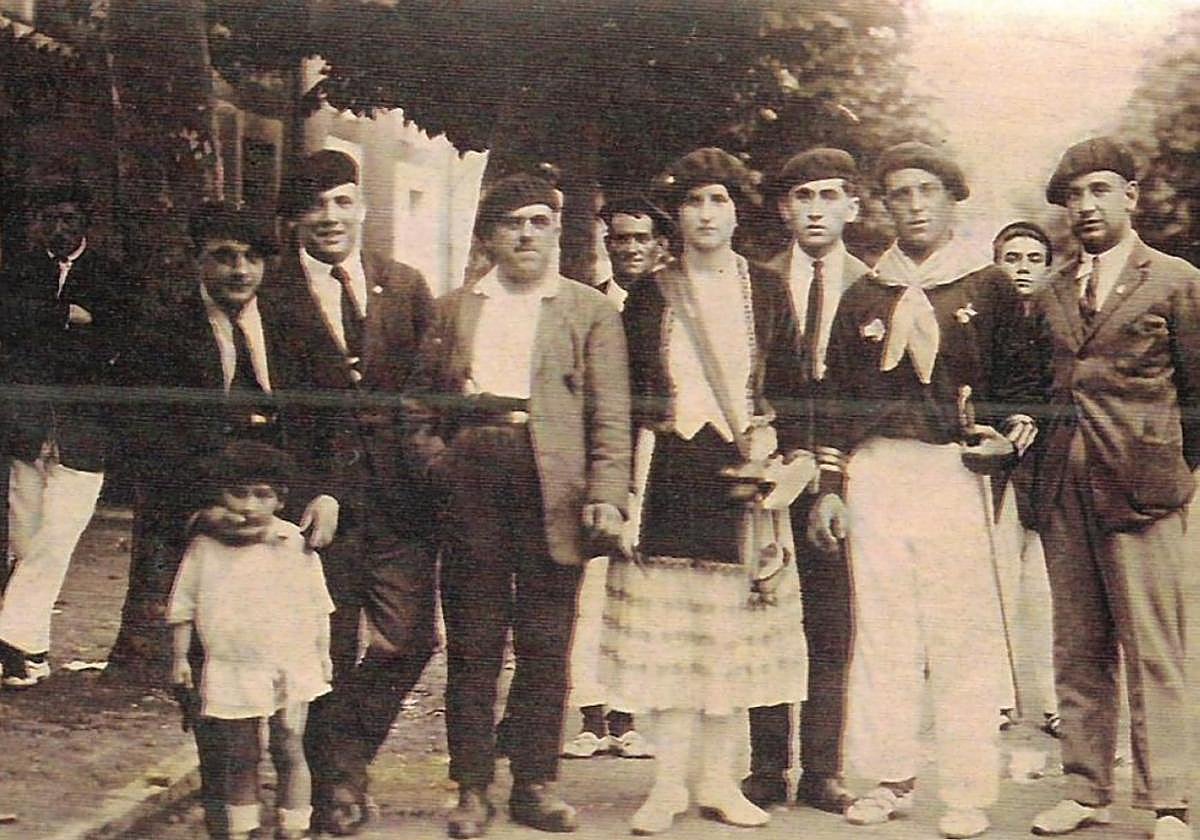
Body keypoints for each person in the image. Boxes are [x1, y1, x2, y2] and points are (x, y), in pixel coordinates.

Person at [810, 141, 1036, 838]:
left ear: (951, 200)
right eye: (899, 194)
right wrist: (831, 484)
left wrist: (1007, 442)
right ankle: (889, 777)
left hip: (952, 471)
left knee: (960, 632)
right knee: (883, 631)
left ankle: (967, 789)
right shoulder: (864, 292)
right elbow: (835, 399)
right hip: (879, 469)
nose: (913, 206)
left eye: (926, 191)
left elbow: (1025, 386)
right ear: (884, 206)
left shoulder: (988, 287)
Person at [406, 173, 630, 838]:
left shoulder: (589, 310)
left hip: (554, 482)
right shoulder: (454, 308)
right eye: (512, 223)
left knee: (545, 641)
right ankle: (472, 788)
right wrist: (438, 464)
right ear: (488, 236)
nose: (526, 235)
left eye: (539, 222)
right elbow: (418, 404)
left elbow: (610, 415)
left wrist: (606, 495)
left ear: (556, 231)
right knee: (473, 640)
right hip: (474, 474)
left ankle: (535, 782)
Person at [602, 147, 808, 836]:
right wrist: (623, 489)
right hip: (667, 470)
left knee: (728, 638)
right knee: (673, 640)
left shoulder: (767, 290)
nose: (706, 213)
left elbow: (790, 386)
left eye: (718, 200)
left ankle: (719, 781)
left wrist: (781, 453)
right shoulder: (648, 295)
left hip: (740, 473)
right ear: (676, 215)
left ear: (737, 211)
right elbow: (625, 396)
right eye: (693, 201)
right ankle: (666, 785)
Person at [1025, 138, 1199, 840]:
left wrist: (1173, 473)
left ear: (1130, 195)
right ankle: (1085, 788)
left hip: (1142, 490)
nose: (1086, 206)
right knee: (1077, 645)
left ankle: (1168, 800)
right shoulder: (1052, 291)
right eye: (1074, 196)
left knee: (1153, 646)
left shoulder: (1176, 281)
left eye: (1099, 190)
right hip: (1064, 490)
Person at [272, 149, 438, 836]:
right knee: (329, 650)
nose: (330, 216)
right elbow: (277, 410)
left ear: (363, 207)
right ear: (295, 218)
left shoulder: (403, 285)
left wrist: (433, 473)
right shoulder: (272, 292)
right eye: (315, 205)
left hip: (401, 500)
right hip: (318, 507)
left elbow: (431, 388)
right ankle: (333, 789)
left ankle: (345, 757)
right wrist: (307, 490)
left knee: (411, 640)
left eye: (343, 201)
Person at [741, 147, 870, 815]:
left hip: (848, 474)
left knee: (831, 619)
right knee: (765, 605)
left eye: (828, 195)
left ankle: (823, 768)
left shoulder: (875, 285)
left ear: (852, 206)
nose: (815, 209)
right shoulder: (755, 285)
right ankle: (767, 766)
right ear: (783, 209)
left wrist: (835, 472)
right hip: (772, 467)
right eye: (802, 196)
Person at [169, 440, 335, 840]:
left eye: (263, 495)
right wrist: (180, 659)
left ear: (281, 499)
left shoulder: (293, 542)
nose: (249, 505)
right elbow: (183, 604)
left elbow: (318, 605)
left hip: (288, 662)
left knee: (288, 745)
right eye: (238, 493)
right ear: (221, 494)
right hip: (233, 664)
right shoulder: (206, 544)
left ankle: (293, 827)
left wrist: (323, 654)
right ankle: (242, 828)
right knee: (241, 753)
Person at [0, 182, 131, 687]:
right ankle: (29, 652)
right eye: (50, 219)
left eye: (69, 219)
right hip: (27, 428)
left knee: (58, 537)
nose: (59, 229)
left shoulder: (110, 275)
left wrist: (45, 332)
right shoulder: (19, 271)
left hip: (84, 429)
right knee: (27, 542)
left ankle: (10, 636)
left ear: (85, 224)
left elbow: (114, 341)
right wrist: (63, 316)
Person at [558, 192, 670, 762]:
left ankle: (628, 716)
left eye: (641, 238)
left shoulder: (672, 306)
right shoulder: (584, 304)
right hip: (594, 459)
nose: (630, 248)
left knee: (641, 586)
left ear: (660, 245)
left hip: (652, 452)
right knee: (591, 587)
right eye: (620, 238)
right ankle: (590, 716)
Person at [989, 221, 1060, 738]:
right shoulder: (983, 321)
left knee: (1046, 588)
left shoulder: (1062, 322)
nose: (1022, 268)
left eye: (1034, 259)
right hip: (995, 464)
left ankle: (1056, 701)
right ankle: (997, 696)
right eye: (1012, 258)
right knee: (994, 581)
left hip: (1049, 466)